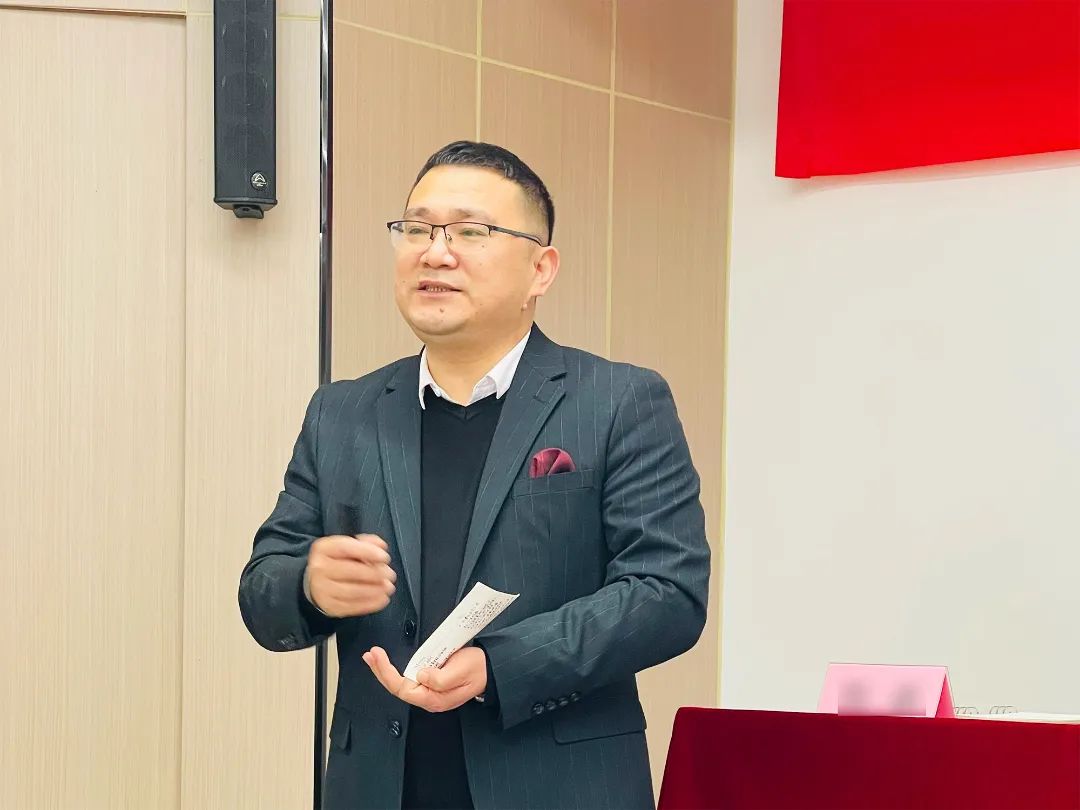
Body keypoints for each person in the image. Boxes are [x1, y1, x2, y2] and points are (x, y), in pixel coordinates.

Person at [238, 141, 711, 810]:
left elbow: (668, 594)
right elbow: (262, 592)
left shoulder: (617, 401)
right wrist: (309, 585)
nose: (436, 253)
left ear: (540, 269)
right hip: (378, 787)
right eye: (417, 229)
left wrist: (500, 665)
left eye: (470, 232)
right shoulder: (341, 413)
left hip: (559, 788)